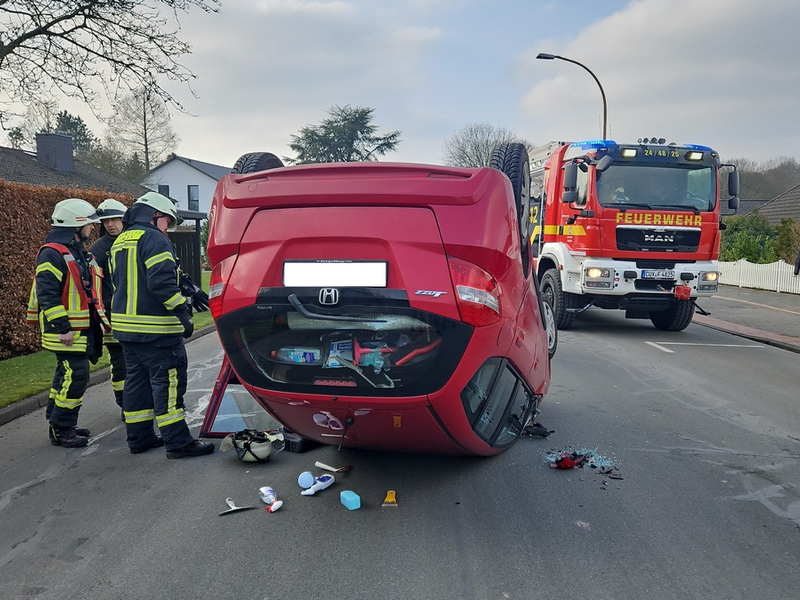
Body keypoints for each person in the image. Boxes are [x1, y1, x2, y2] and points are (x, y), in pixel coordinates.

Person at [109, 191, 214, 458]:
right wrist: (183, 310)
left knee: (136, 382)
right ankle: (178, 442)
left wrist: (193, 291)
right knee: (167, 383)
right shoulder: (155, 239)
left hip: (126, 328)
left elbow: (129, 280)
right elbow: (160, 283)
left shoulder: (122, 240)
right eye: (168, 221)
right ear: (156, 215)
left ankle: (139, 437)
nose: (168, 227)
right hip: (156, 330)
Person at [26, 198, 110, 448]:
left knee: (66, 374)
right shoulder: (52, 253)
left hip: (76, 329)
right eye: (89, 225)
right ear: (76, 226)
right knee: (76, 376)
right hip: (64, 331)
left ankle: (59, 422)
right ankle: (62, 427)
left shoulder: (74, 251)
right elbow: (47, 294)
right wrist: (63, 328)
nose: (92, 229)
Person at [89, 198, 128, 419]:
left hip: (133, 315)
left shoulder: (132, 241)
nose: (110, 224)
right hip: (112, 317)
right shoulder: (98, 250)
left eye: (114, 219)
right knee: (120, 363)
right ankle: (125, 404)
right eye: (105, 221)